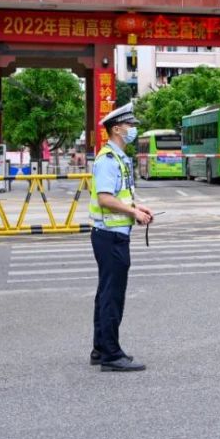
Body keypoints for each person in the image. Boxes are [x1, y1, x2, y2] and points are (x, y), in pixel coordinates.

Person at [88, 104, 155, 372]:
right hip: (110, 236)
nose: (132, 129)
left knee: (105, 292)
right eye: (129, 125)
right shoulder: (107, 160)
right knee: (112, 296)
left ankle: (100, 348)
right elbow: (105, 199)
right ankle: (111, 355)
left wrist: (139, 208)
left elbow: (120, 194)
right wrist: (133, 213)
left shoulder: (119, 159)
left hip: (112, 235)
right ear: (116, 128)